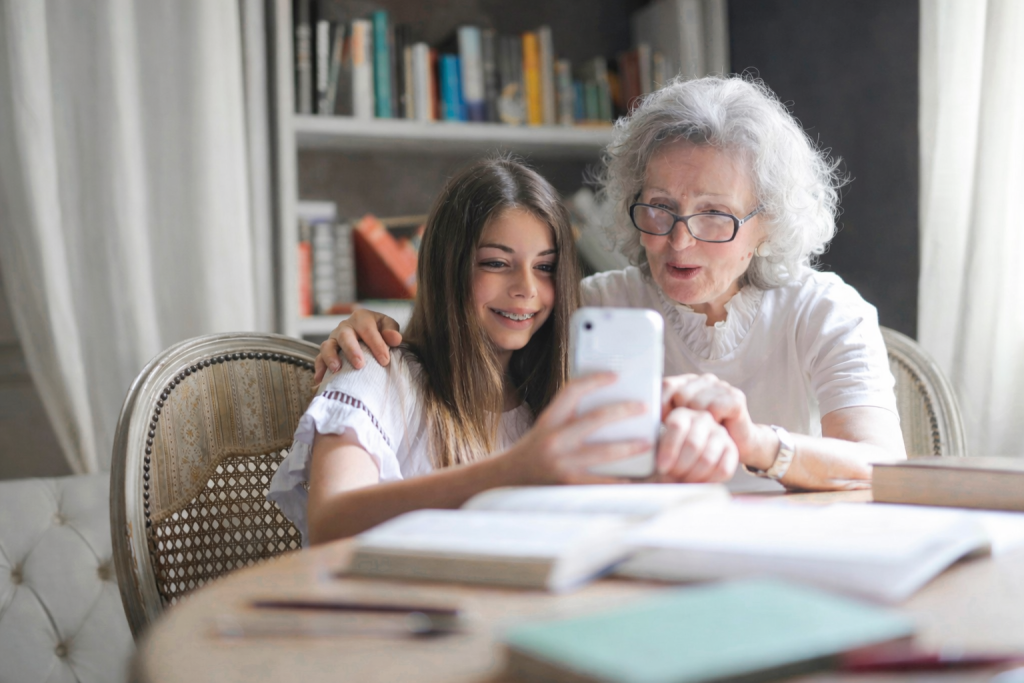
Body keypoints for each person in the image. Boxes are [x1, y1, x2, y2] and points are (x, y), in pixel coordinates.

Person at [315, 76, 908, 492]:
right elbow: (473, 332)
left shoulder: (826, 310)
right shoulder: (594, 307)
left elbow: (882, 466)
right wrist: (372, 330)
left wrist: (755, 444)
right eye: (658, 208)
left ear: (767, 225)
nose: (678, 241)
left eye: (713, 216)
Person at [268, 157, 736, 546]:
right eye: (496, 264)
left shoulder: (554, 399)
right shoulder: (377, 371)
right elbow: (330, 523)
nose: (527, 291)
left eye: (546, 267)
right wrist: (514, 471)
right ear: (448, 268)